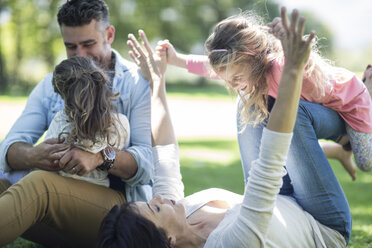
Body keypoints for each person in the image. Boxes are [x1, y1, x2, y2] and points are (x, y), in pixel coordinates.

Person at [98, 8, 350, 247]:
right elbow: (269, 167)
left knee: (250, 104)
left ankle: (346, 112)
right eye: (154, 208)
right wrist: (292, 70)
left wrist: (157, 82)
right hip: (322, 225)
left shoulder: (177, 213)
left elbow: (164, 155)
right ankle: (351, 115)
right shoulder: (233, 243)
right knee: (283, 114)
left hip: (283, 199)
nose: (157, 197)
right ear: (168, 241)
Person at [0, 0, 152, 246]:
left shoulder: (136, 84)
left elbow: (147, 164)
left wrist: (101, 157)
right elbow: (10, 146)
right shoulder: (52, 84)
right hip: (57, 199)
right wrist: (34, 155)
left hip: (116, 212)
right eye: (71, 47)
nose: (81, 55)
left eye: (88, 44)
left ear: (109, 34)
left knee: (40, 186)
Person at [158, 11, 372, 180]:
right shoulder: (247, 73)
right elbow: (210, 68)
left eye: (237, 78)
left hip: (351, 100)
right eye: (229, 81)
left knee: (366, 162)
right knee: (286, 143)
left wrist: (288, 39)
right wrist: (177, 59)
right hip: (323, 108)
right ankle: (341, 149)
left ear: (250, 59)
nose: (234, 86)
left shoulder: (279, 67)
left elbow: (297, 60)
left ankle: (369, 92)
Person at [46, 55, 130, 186]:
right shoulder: (121, 123)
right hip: (104, 191)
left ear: (64, 95)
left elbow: (48, 163)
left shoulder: (62, 121)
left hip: (62, 191)